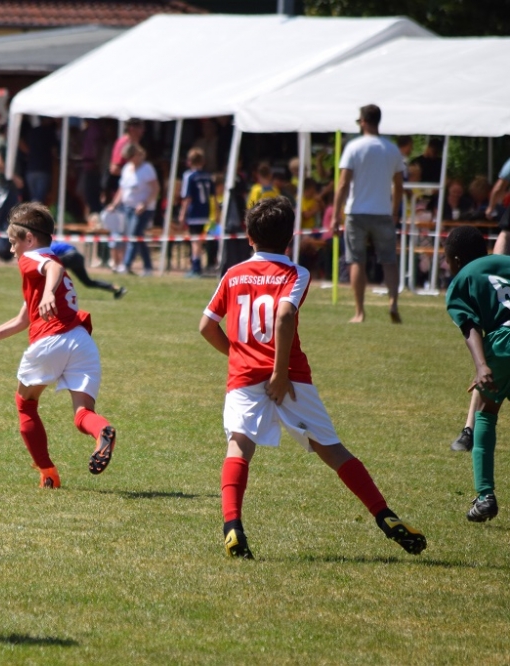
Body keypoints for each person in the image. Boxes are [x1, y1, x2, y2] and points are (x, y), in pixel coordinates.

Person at [199, 196, 427, 559]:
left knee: (239, 446)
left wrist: (239, 355)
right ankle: (385, 516)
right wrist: (278, 372)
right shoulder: (296, 273)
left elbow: (206, 326)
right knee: (331, 448)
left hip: (244, 377)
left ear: (249, 236)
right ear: (289, 237)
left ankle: (232, 528)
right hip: (290, 377)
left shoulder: (233, 273)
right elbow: (284, 315)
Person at [0, 202, 118, 489]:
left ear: (29, 238)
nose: (11, 249)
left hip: (51, 340)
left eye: (13, 242)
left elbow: (53, 267)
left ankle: (48, 474)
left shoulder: (33, 259)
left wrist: (49, 293)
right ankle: (103, 431)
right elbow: (22, 320)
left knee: (25, 405)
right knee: (83, 414)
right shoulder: (44, 267)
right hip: (81, 341)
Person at [442, 224, 510, 523]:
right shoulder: (506, 263)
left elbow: (470, 326)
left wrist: (482, 365)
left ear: (456, 260)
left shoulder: (463, 278)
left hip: (503, 343)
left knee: (485, 412)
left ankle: (485, 496)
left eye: (446, 259)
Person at [333, 104, 405, 324]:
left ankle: (359, 312)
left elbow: (343, 183)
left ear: (363, 121)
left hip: (357, 212)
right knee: (389, 260)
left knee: (356, 261)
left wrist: (335, 215)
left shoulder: (354, 147)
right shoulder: (392, 149)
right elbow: (399, 185)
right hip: (383, 211)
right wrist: (394, 211)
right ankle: (393, 302)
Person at [107, 143, 157, 276]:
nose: (129, 160)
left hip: (144, 209)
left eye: (130, 157)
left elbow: (155, 189)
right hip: (127, 208)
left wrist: (145, 204)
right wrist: (114, 204)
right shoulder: (127, 168)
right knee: (137, 237)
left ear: (137, 155)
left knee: (134, 235)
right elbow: (122, 189)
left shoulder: (147, 169)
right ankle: (148, 267)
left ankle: (126, 265)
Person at [179, 147, 214, 278]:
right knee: (200, 240)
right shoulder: (208, 176)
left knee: (195, 240)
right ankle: (200, 263)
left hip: (194, 213)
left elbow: (187, 197)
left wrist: (182, 214)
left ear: (189, 161)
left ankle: (196, 267)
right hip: (206, 212)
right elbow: (213, 196)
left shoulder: (189, 176)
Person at [50, 240, 126, 299]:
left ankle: (53, 295)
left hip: (70, 256)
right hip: (78, 256)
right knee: (88, 282)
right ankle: (117, 289)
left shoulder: (47, 247)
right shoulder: (54, 243)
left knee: (52, 274)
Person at [22, 116, 57, 205]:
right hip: (43, 169)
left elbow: (23, 144)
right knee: (39, 200)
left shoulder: (32, 132)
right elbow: (54, 151)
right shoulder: (50, 132)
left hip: (31, 169)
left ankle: (32, 213)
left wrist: (29, 153)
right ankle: (34, 214)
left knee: (34, 198)